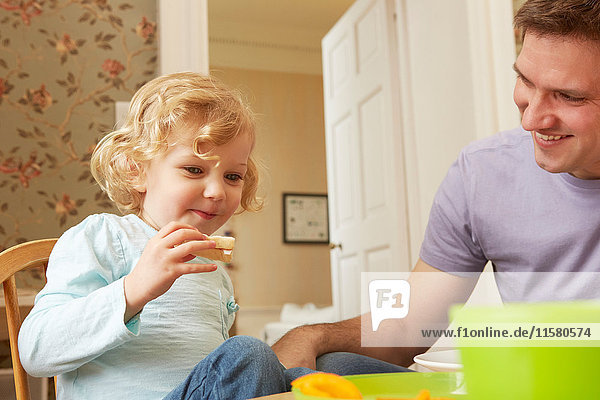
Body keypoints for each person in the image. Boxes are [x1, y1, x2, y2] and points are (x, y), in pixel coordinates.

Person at [272, 0, 600, 374]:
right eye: (525, 81)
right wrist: (311, 336)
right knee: (339, 364)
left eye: (569, 96)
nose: (531, 119)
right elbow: (407, 325)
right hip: (543, 382)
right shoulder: (482, 174)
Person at [18, 72, 311, 399]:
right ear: (136, 170)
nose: (217, 191)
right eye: (194, 170)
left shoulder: (214, 270)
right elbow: (36, 349)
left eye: (232, 176)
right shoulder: (105, 237)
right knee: (249, 354)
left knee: (340, 365)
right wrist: (133, 290)